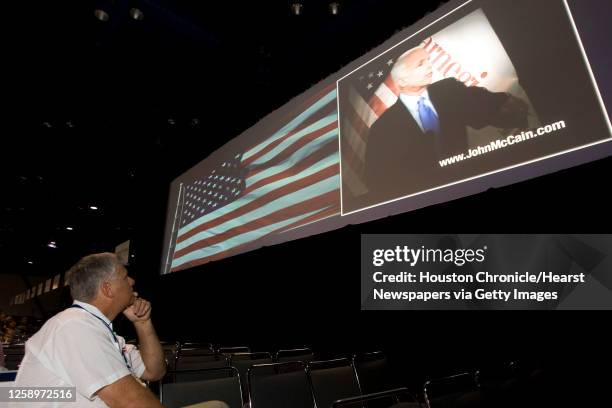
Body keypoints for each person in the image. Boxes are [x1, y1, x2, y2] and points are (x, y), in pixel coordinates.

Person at [14, 252, 227, 408]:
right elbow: (131, 403)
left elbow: (155, 371)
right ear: (108, 289)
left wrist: (143, 323)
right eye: (125, 277)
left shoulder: (100, 330)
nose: (132, 281)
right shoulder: (74, 326)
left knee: (217, 406)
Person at [363, 46, 528, 204]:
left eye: (427, 60)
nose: (429, 65)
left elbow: (493, 109)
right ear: (403, 80)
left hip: (470, 185)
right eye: (420, 64)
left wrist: (506, 104)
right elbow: (377, 183)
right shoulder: (382, 128)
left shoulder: (449, 90)